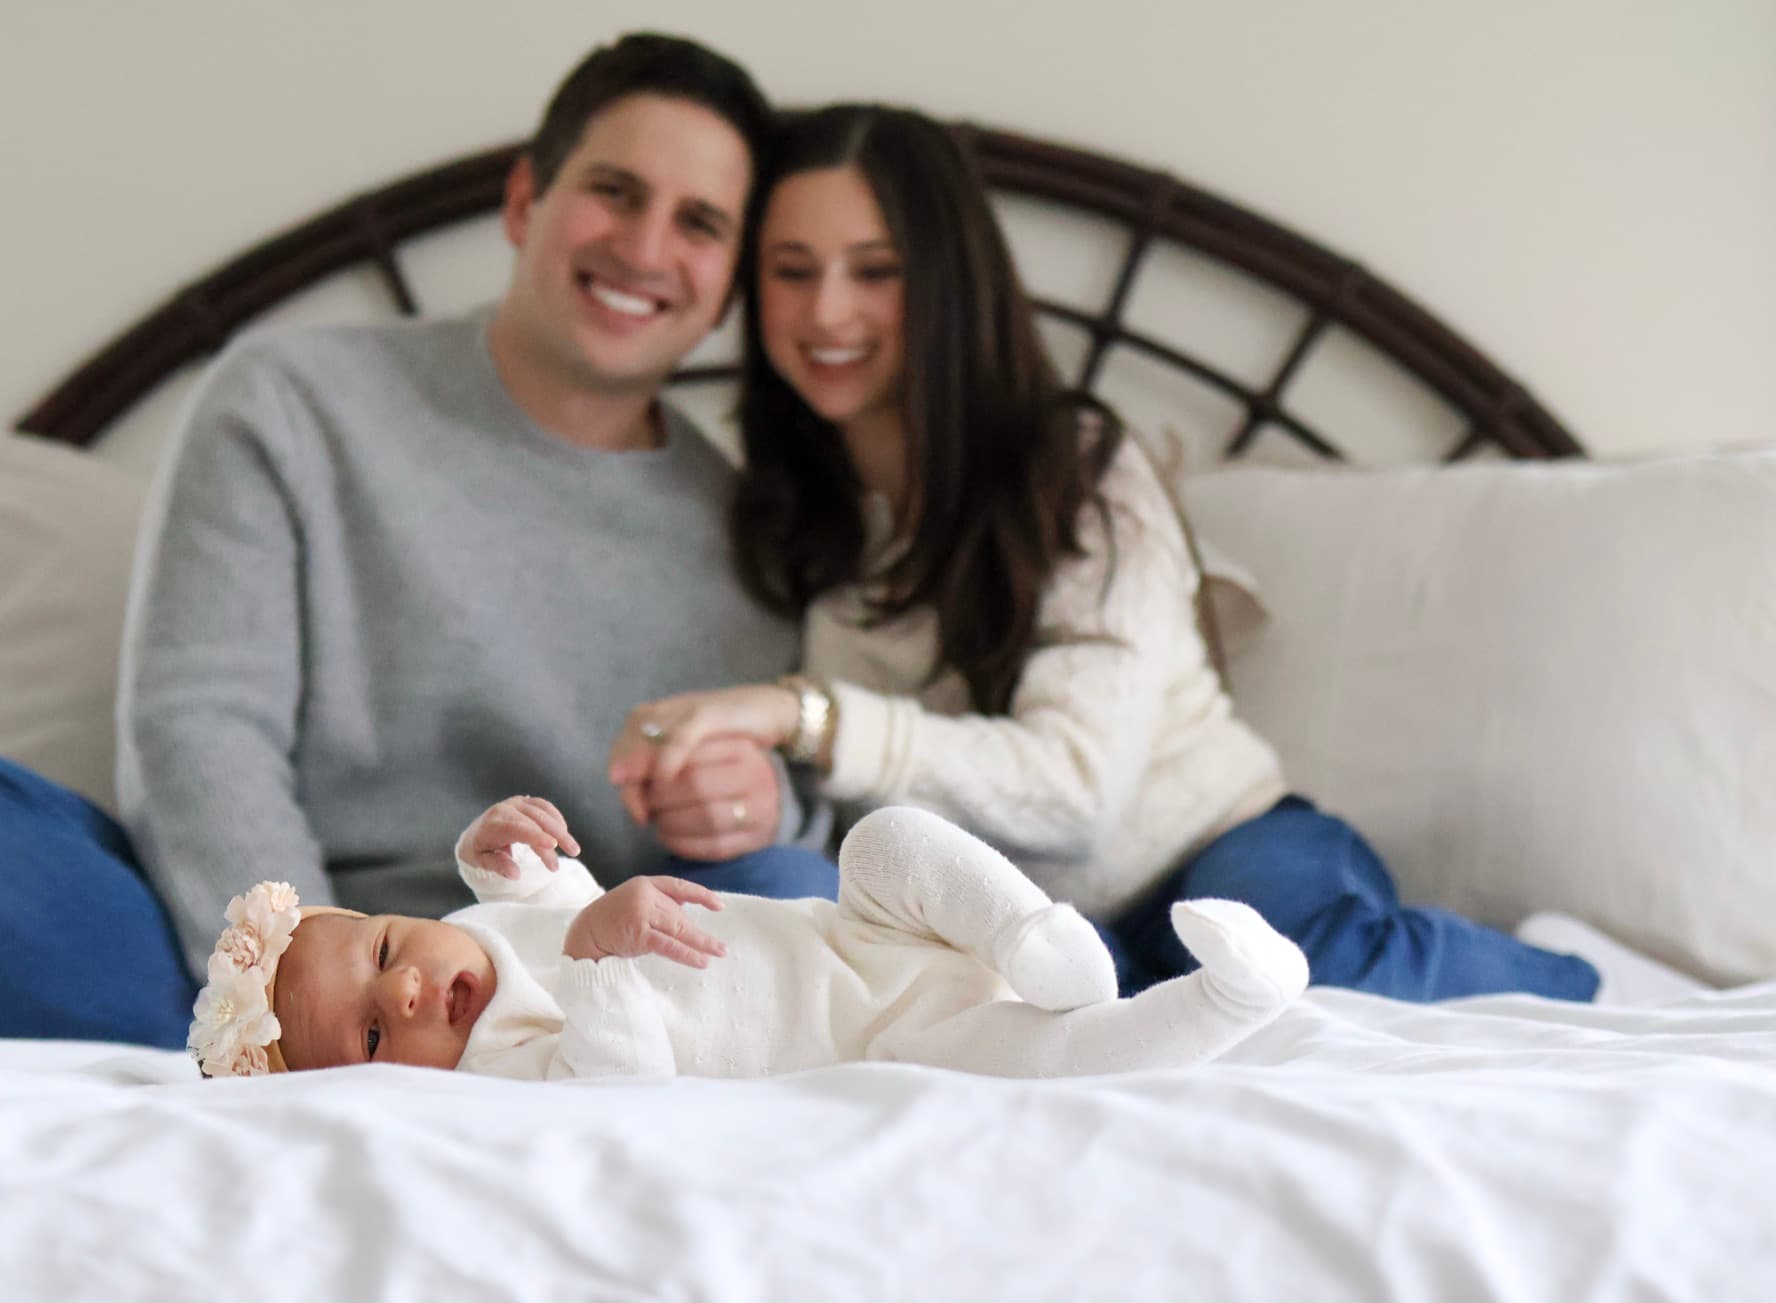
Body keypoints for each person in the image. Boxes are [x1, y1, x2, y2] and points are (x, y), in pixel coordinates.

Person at [0, 34, 837, 1049]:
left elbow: (742, 859)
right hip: (265, 958)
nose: (646, 247)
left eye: (698, 223)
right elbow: (199, 725)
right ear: (525, 201)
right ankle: (274, 1066)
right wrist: (304, 997)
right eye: (614, 191)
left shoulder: (749, 525)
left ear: (727, 283)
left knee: (794, 885)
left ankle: (449, 1081)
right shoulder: (288, 401)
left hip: (563, 998)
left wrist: (760, 810)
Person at [608, 104, 1618, 1005]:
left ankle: (1578, 977)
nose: (826, 313)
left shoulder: (1077, 467)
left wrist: (802, 712)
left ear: (949, 283)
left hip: (1222, 840)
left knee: (1287, 960)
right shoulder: (788, 511)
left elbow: (1072, 792)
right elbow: (842, 808)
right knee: (917, 971)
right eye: (791, 271)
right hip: (1034, 928)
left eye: (875, 271)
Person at [187, 794, 1308, 1079]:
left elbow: (550, 890)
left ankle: (1036, 937)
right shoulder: (495, 1070)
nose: (415, 998)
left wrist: (501, 848)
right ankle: (1226, 1001)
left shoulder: (473, 935)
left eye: (388, 954)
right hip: (885, 1041)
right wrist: (598, 957)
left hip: (850, 937)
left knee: (884, 837)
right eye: (377, 1039)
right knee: (1047, 1066)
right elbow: (613, 1076)